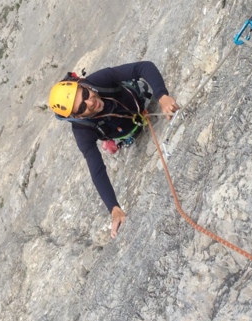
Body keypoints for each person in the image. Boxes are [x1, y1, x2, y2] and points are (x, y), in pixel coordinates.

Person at [48, 61, 180, 238]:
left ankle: (114, 141)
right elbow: (97, 170)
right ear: (77, 116)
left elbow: (143, 67)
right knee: (123, 137)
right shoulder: (82, 131)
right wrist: (114, 207)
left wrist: (162, 96)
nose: (90, 102)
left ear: (83, 85)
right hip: (128, 130)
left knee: (138, 92)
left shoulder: (98, 81)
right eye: (81, 107)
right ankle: (115, 142)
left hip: (139, 101)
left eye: (85, 94)